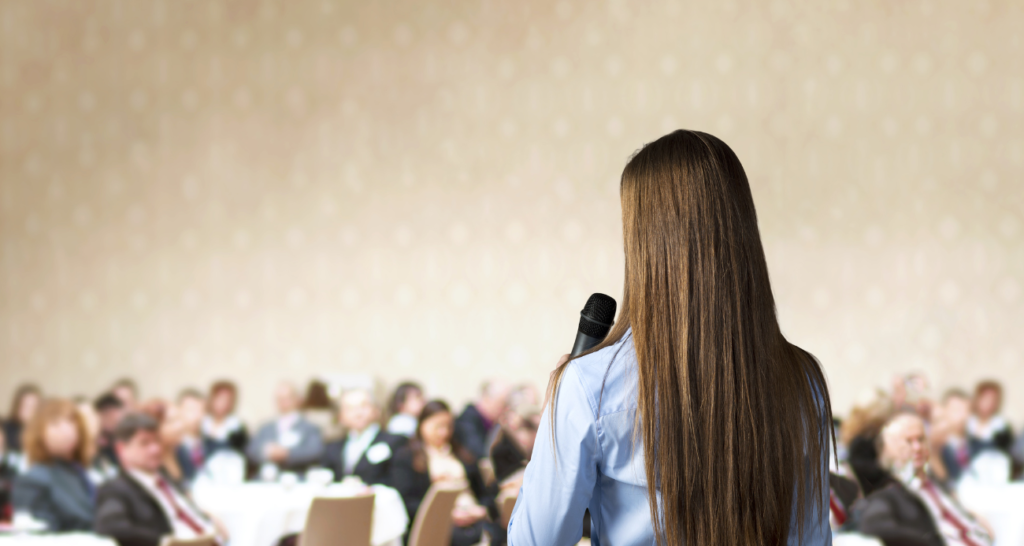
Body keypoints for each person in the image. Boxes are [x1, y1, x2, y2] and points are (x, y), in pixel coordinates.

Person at [508, 131, 834, 546]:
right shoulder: (802, 379)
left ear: (642, 243)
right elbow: (811, 538)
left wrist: (553, 429)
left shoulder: (591, 386)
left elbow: (537, 542)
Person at [858, 413, 993, 546]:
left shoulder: (933, 482)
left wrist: (975, 520)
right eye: (908, 441)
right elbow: (872, 525)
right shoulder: (890, 493)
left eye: (921, 439)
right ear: (889, 449)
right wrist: (927, 541)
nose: (917, 447)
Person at [94, 412, 223, 546]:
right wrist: (163, 541)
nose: (155, 449)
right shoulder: (115, 489)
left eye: (157, 441)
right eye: (144, 443)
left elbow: (189, 512)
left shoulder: (164, 477)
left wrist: (210, 522)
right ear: (121, 449)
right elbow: (109, 526)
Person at [389, 400, 498, 546]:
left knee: (498, 533)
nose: (444, 432)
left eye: (448, 426)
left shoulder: (463, 454)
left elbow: (484, 494)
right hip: (436, 523)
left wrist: (480, 510)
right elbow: (408, 502)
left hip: (472, 515)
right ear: (422, 425)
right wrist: (446, 514)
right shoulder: (407, 457)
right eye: (437, 426)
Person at [11, 398, 95, 531]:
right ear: (39, 432)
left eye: (72, 422)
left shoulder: (79, 474)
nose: (68, 430)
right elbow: (39, 531)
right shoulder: (33, 479)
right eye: (56, 424)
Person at [321, 389, 404, 485]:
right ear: (340, 416)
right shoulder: (332, 448)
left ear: (376, 410)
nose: (358, 413)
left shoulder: (395, 442)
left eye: (363, 406)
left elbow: (399, 482)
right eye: (350, 408)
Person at [246, 381, 324, 474]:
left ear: (297, 399)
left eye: (287, 398)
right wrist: (268, 452)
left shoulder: (310, 428)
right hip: (268, 480)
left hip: (297, 478)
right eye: (280, 399)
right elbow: (251, 451)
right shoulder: (265, 427)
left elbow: (314, 451)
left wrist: (287, 454)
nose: (283, 402)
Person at [454, 380, 510, 459]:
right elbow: (483, 453)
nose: (506, 409)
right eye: (503, 404)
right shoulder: (467, 421)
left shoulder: (495, 422)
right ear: (487, 399)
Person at [935, 389, 973, 487]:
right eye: (957, 410)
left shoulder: (973, 443)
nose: (963, 416)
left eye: (967, 410)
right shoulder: (936, 446)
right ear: (943, 410)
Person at [201, 380, 248, 455]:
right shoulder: (201, 423)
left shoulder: (237, 426)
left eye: (227, 400)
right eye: (220, 399)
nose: (223, 404)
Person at [966, 380, 1013, 455]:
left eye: (993, 400)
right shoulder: (966, 422)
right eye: (985, 399)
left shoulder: (1001, 426)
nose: (989, 403)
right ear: (977, 399)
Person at [174, 390, 207, 485]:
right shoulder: (173, 447)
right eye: (191, 410)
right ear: (178, 411)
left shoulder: (209, 444)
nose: (197, 416)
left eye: (201, 410)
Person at [3, 384, 41, 454]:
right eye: (26, 406)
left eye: (34, 407)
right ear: (17, 406)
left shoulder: (42, 431)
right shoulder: (4, 428)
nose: (30, 411)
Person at [94, 393, 126, 473]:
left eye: (112, 414)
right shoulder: (92, 446)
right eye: (106, 414)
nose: (110, 418)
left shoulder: (123, 442)